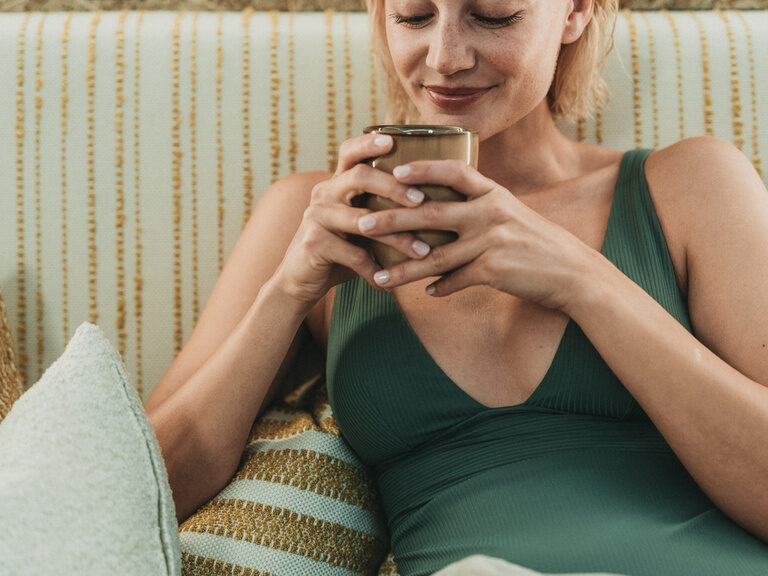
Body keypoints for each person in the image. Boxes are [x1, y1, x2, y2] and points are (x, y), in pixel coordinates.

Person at [144, 0, 768, 574]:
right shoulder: (309, 220)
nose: (444, 57)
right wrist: (283, 296)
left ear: (576, 11)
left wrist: (584, 281)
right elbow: (142, 490)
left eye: (493, 16)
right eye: (414, 15)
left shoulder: (691, 184)